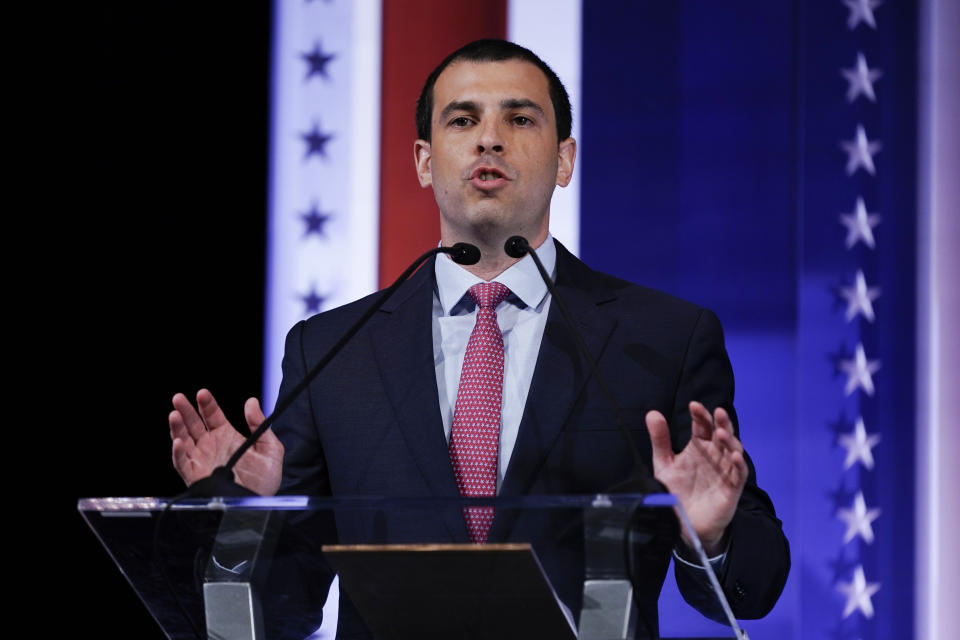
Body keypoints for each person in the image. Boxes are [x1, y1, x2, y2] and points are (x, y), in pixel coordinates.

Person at [170, 39, 789, 637]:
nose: (489, 138)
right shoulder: (332, 350)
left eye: (520, 118)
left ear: (566, 159)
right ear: (423, 160)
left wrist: (710, 535)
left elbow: (755, 585)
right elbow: (285, 613)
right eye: (462, 120)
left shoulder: (662, 338)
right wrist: (243, 526)